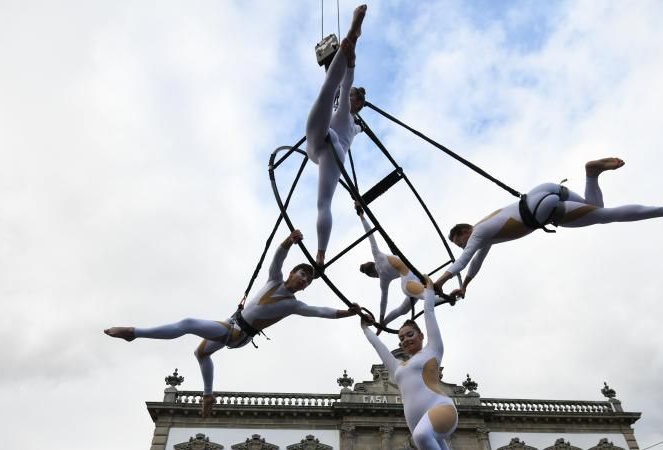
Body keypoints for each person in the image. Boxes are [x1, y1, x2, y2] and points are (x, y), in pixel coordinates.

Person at [105, 230, 360, 416]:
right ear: (293, 273)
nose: (304, 280)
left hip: (239, 334)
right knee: (201, 353)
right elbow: (277, 258)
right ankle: (208, 395)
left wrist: (348, 313)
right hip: (231, 321)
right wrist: (288, 240)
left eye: (308, 281)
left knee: (187, 323)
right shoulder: (274, 280)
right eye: (302, 274)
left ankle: (134, 333)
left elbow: (321, 311)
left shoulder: (295, 305)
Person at [432, 158, 663, 297]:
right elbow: (475, 262)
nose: (464, 246)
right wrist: (465, 286)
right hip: (543, 192)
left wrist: (439, 282)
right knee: (597, 208)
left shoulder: (479, 233)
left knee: (605, 216)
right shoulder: (485, 231)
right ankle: (592, 173)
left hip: (540, 210)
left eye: (460, 241)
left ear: (466, 231)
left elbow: (462, 262)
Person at [360, 277, 504, 450]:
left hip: (442, 409)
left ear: (420, 335)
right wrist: (366, 329)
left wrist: (428, 290)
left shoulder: (433, 350)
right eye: (402, 338)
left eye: (410, 335)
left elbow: (428, 312)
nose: (405, 340)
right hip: (430, 428)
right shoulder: (397, 368)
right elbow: (379, 349)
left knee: (421, 437)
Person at [306, 5, 368, 269]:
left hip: (322, 141)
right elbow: (357, 121)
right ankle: (321, 254)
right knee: (323, 203)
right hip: (331, 150)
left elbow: (345, 91)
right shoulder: (354, 124)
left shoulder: (347, 115)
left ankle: (352, 44)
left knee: (331, 90)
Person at [358, 212, 448, 327]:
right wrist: (381, 320)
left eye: (372, 276)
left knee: (422, 299)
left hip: (409, 282)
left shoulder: (378, 258)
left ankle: (448, 297)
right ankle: (383, 324)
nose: (376, 277)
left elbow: (370, 235)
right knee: (408, 307)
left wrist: (361, 216)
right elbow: (383, 300)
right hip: (414, 279)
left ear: (372, 273)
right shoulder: (383, 279)